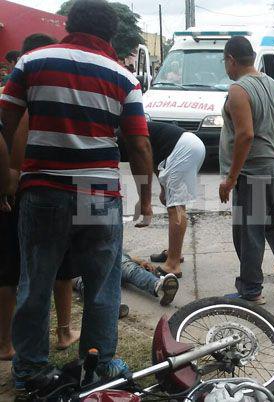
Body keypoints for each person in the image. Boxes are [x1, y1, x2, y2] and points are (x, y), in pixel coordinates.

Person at [0, 0, 153, 389]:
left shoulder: (32, 62)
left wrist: (8, 176)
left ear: (69, 24)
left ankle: (30, 372)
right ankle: (100, 364)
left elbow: (5, 122)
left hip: (44, 190)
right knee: (102, 282)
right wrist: (146, 198)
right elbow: (139, 145)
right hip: (98, 193)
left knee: (35, 282)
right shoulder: (122, 76)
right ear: (110, 35)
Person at [0, 33, 86, 363]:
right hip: (43, 188)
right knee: (58, 266)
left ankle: (7, 342)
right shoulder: (50, 89)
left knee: (11, 268)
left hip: (20, 189)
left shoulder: (16, 89)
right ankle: (63, 331)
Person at [218, 36, 274, 305]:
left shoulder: (238, 90)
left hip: (253, 171)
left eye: (225, 61)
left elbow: (245, 134)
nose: (226, 66)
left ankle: (251, 290)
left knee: (249, 230)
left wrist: (230, 178)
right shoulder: (272, 85)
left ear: (231, 60)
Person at [142, 121, 205, 277]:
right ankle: (173, 253)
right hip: (187, 145)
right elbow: (153, 158)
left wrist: (145, 200)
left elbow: (143, 162)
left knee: (176, 207)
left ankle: (173, 265)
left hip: (182, 149)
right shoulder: (127, 128)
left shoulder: (121, 135)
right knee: (174, 204)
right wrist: (163, 189)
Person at [74, 253, 179, 306]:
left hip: (110, 259)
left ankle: (160, 286)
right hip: (84, 268)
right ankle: (109, 307)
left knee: (131, 268)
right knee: (86, 282)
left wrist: (139, 261)